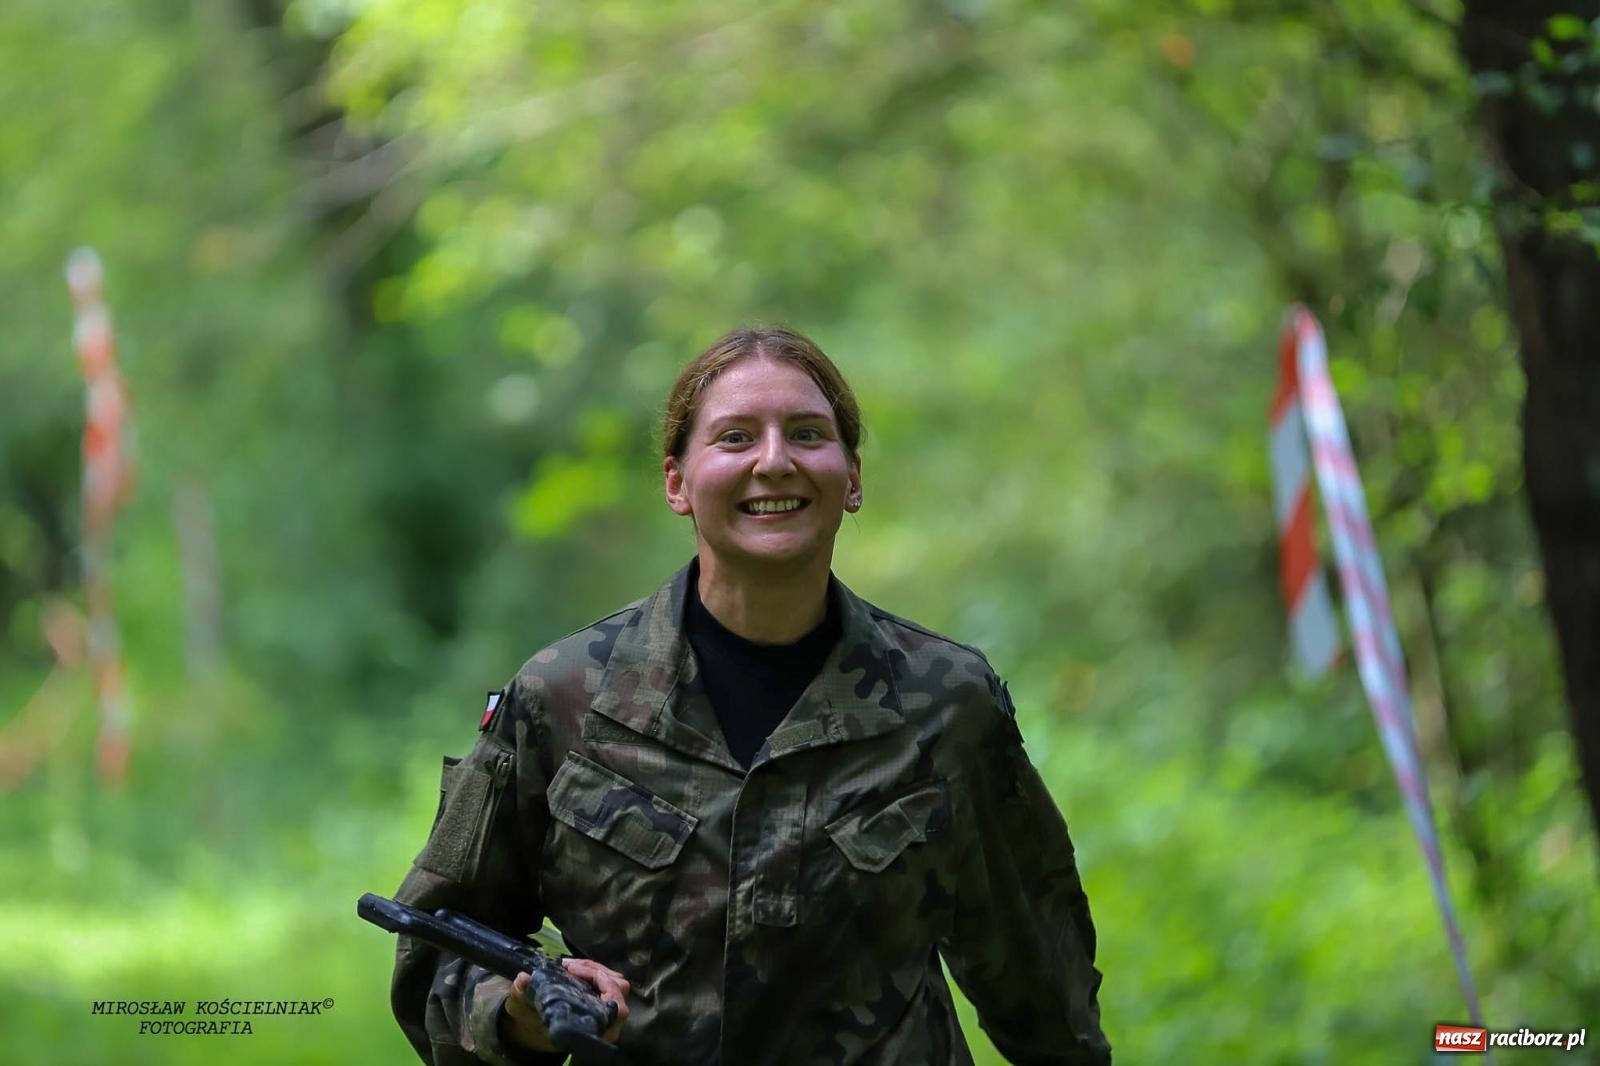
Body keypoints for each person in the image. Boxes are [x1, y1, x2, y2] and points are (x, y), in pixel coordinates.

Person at [388, 327, 1111, 1065]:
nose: (774, 461)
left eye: (807, 434)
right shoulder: (564, 696)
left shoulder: (948, 702)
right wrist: (519, 1016)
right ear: (677, 483)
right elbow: (434, 948)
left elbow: (1044, 985)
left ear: (852, 478)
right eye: (735, 437)